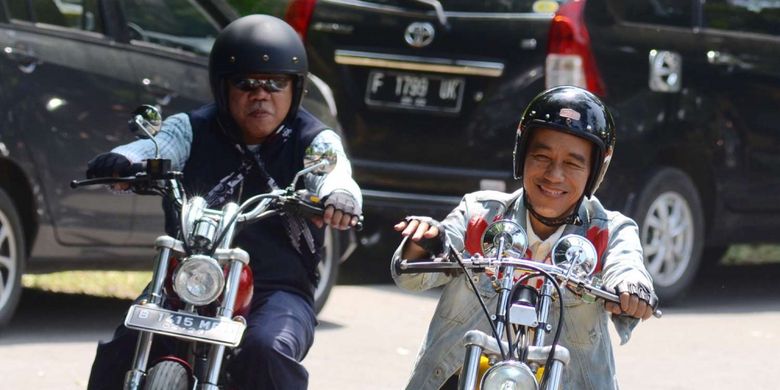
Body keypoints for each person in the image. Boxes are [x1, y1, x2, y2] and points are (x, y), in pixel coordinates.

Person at [84, 15, 362, 390]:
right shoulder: (191, 127)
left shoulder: (313, 140)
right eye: (245, 83)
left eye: (275, 83)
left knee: (266, 350)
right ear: (222, 86)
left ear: (294, 89)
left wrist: (340, 195)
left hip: (276, 289)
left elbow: (336, 171)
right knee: (126, 347)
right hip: (184, 282)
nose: (260, 94)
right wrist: (124, 160)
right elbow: (155, 147)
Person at [391, 86, 658, 389]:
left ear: (595, 170)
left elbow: (627, 264)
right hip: (462, 377)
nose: (554, 175)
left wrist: (631, 287)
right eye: (542, 156)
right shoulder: (480, 213)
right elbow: (419, 270)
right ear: (522, 155)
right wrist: (429, 240)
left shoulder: (609, 231)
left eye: (572, 163)